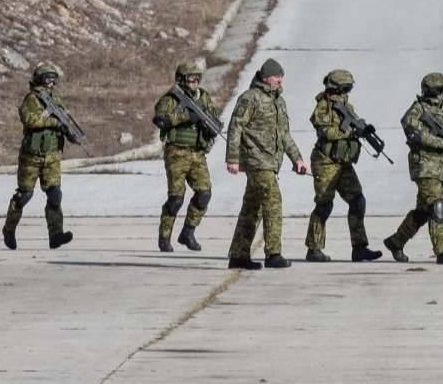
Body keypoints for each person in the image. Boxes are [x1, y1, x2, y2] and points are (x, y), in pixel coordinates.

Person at [225, 58, 307, 270]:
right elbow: (235, 128)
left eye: (281, 76)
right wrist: (232, 158)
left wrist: (297, 158)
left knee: (252, 209)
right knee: (273, 200)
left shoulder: (279, 102)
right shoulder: (250, 99)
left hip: (271, 162)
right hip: (256, 161)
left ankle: (238, 255)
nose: (280, 80)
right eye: (276, 76)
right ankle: (273, 253)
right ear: (265, 77)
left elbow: (284, 135)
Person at [383, 72, 443, 265]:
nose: (442, 94)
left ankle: (396, 242)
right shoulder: (418, 110)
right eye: (439, 90)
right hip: (423, 166)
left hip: (439, 169)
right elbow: (415, 134)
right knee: (437, 206)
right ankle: (442, 251)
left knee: (422, 212)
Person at [304, 69, 382, 263]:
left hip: (343, 162)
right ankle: (314, 249)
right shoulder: (322, 106)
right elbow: (326, 132)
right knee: (324, 205)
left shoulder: (346, 106)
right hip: (325, 161)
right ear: (336, 87)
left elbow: (354, 124)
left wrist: (364, 129)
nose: (348, 92)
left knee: (357, 201)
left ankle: (360, 247)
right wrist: (349, 132)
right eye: (345, 88)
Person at [2, 62, 77, 250]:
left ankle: (55, 235)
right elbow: (29, 119)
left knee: (55, 195)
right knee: (24, 195)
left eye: (54, 79)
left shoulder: (56, 99)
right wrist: (53, 122)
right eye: (47, 78)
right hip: (32, 156)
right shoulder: (32, 99)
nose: (50, 83)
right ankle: (9, 229)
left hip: (52, 156)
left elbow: (63, 121)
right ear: (39, 80)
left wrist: (68, 132)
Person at [152, 61, 220, 253]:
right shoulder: (171, 98)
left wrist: (208, 125)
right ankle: (164, 236)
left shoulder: (203, 96)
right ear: (181, 79)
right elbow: (160, 120)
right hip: (177, 153)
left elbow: (212, 116)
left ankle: (188, 232)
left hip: (197, 153)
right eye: (192, 78)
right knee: (176, 199)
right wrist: (185, 117)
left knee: (204, 193)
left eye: (198, 78)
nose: (196, 81)